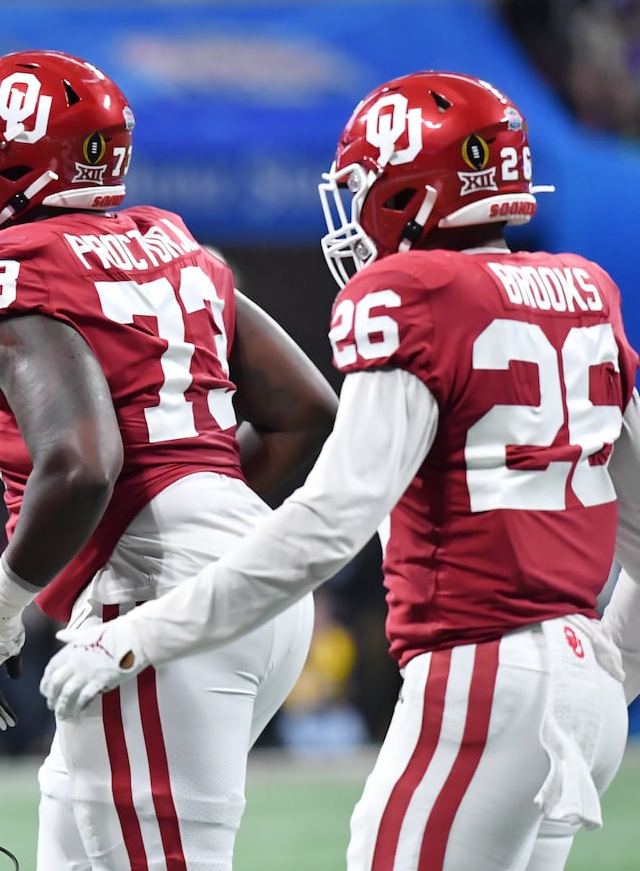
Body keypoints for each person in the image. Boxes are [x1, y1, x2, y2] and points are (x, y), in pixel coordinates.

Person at [43, 70, 640, 870]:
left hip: (480, 672)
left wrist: (141, 635)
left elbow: (331, 517)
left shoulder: (412, 293)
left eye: (364, 183)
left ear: (411, 189)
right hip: (581, 685)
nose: (355, 206)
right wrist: (599, 665)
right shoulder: (586, 291)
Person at [0, 49, 338, 870]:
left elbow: (83, 463)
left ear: (22, 159)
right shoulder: (167, 241)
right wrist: (209, 513)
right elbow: (305, 412)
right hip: (247, 582)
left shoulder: (6, 267)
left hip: (154, 602)